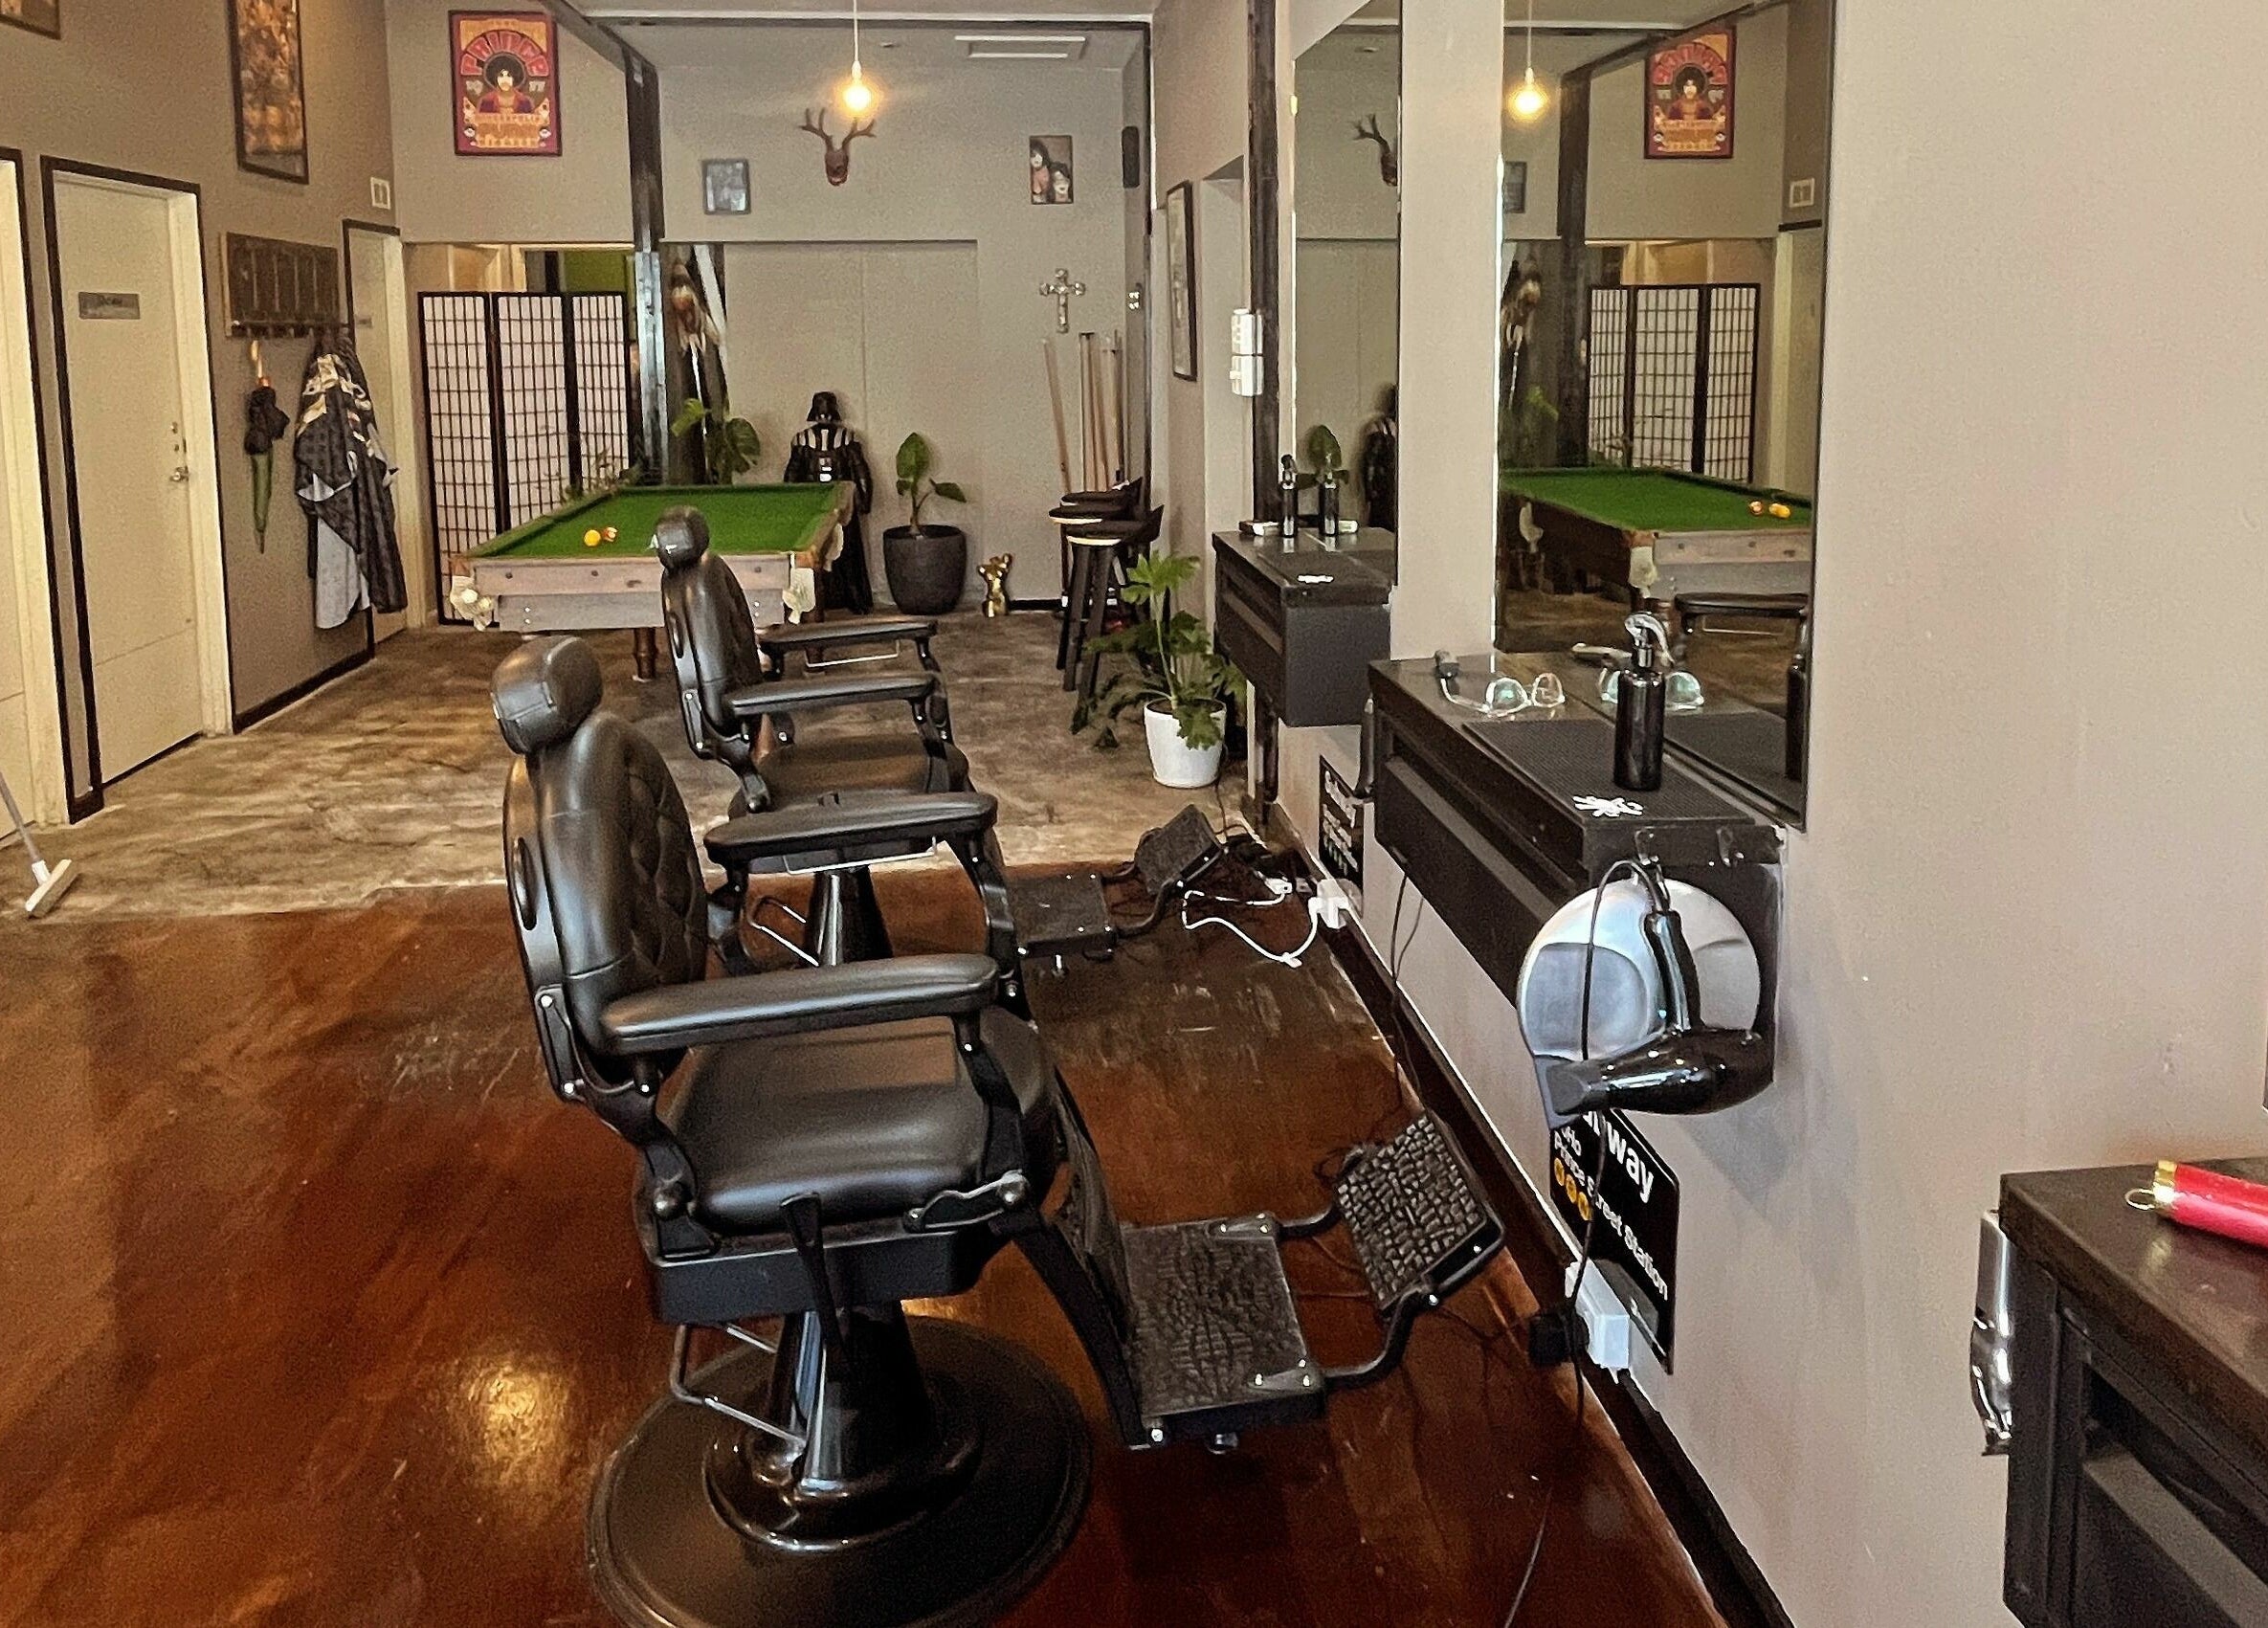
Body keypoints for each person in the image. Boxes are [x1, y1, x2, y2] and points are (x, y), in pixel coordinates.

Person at [786, 391, 878, 614]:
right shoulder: (802, 440)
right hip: (811, 504)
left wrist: (864, 501)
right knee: (812, 554)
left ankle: (854, 597)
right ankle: (812, 601)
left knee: (848, 551)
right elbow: (793, 473)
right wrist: (791, 503)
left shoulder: (847, 438)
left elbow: (860, 471)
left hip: (842, 502)